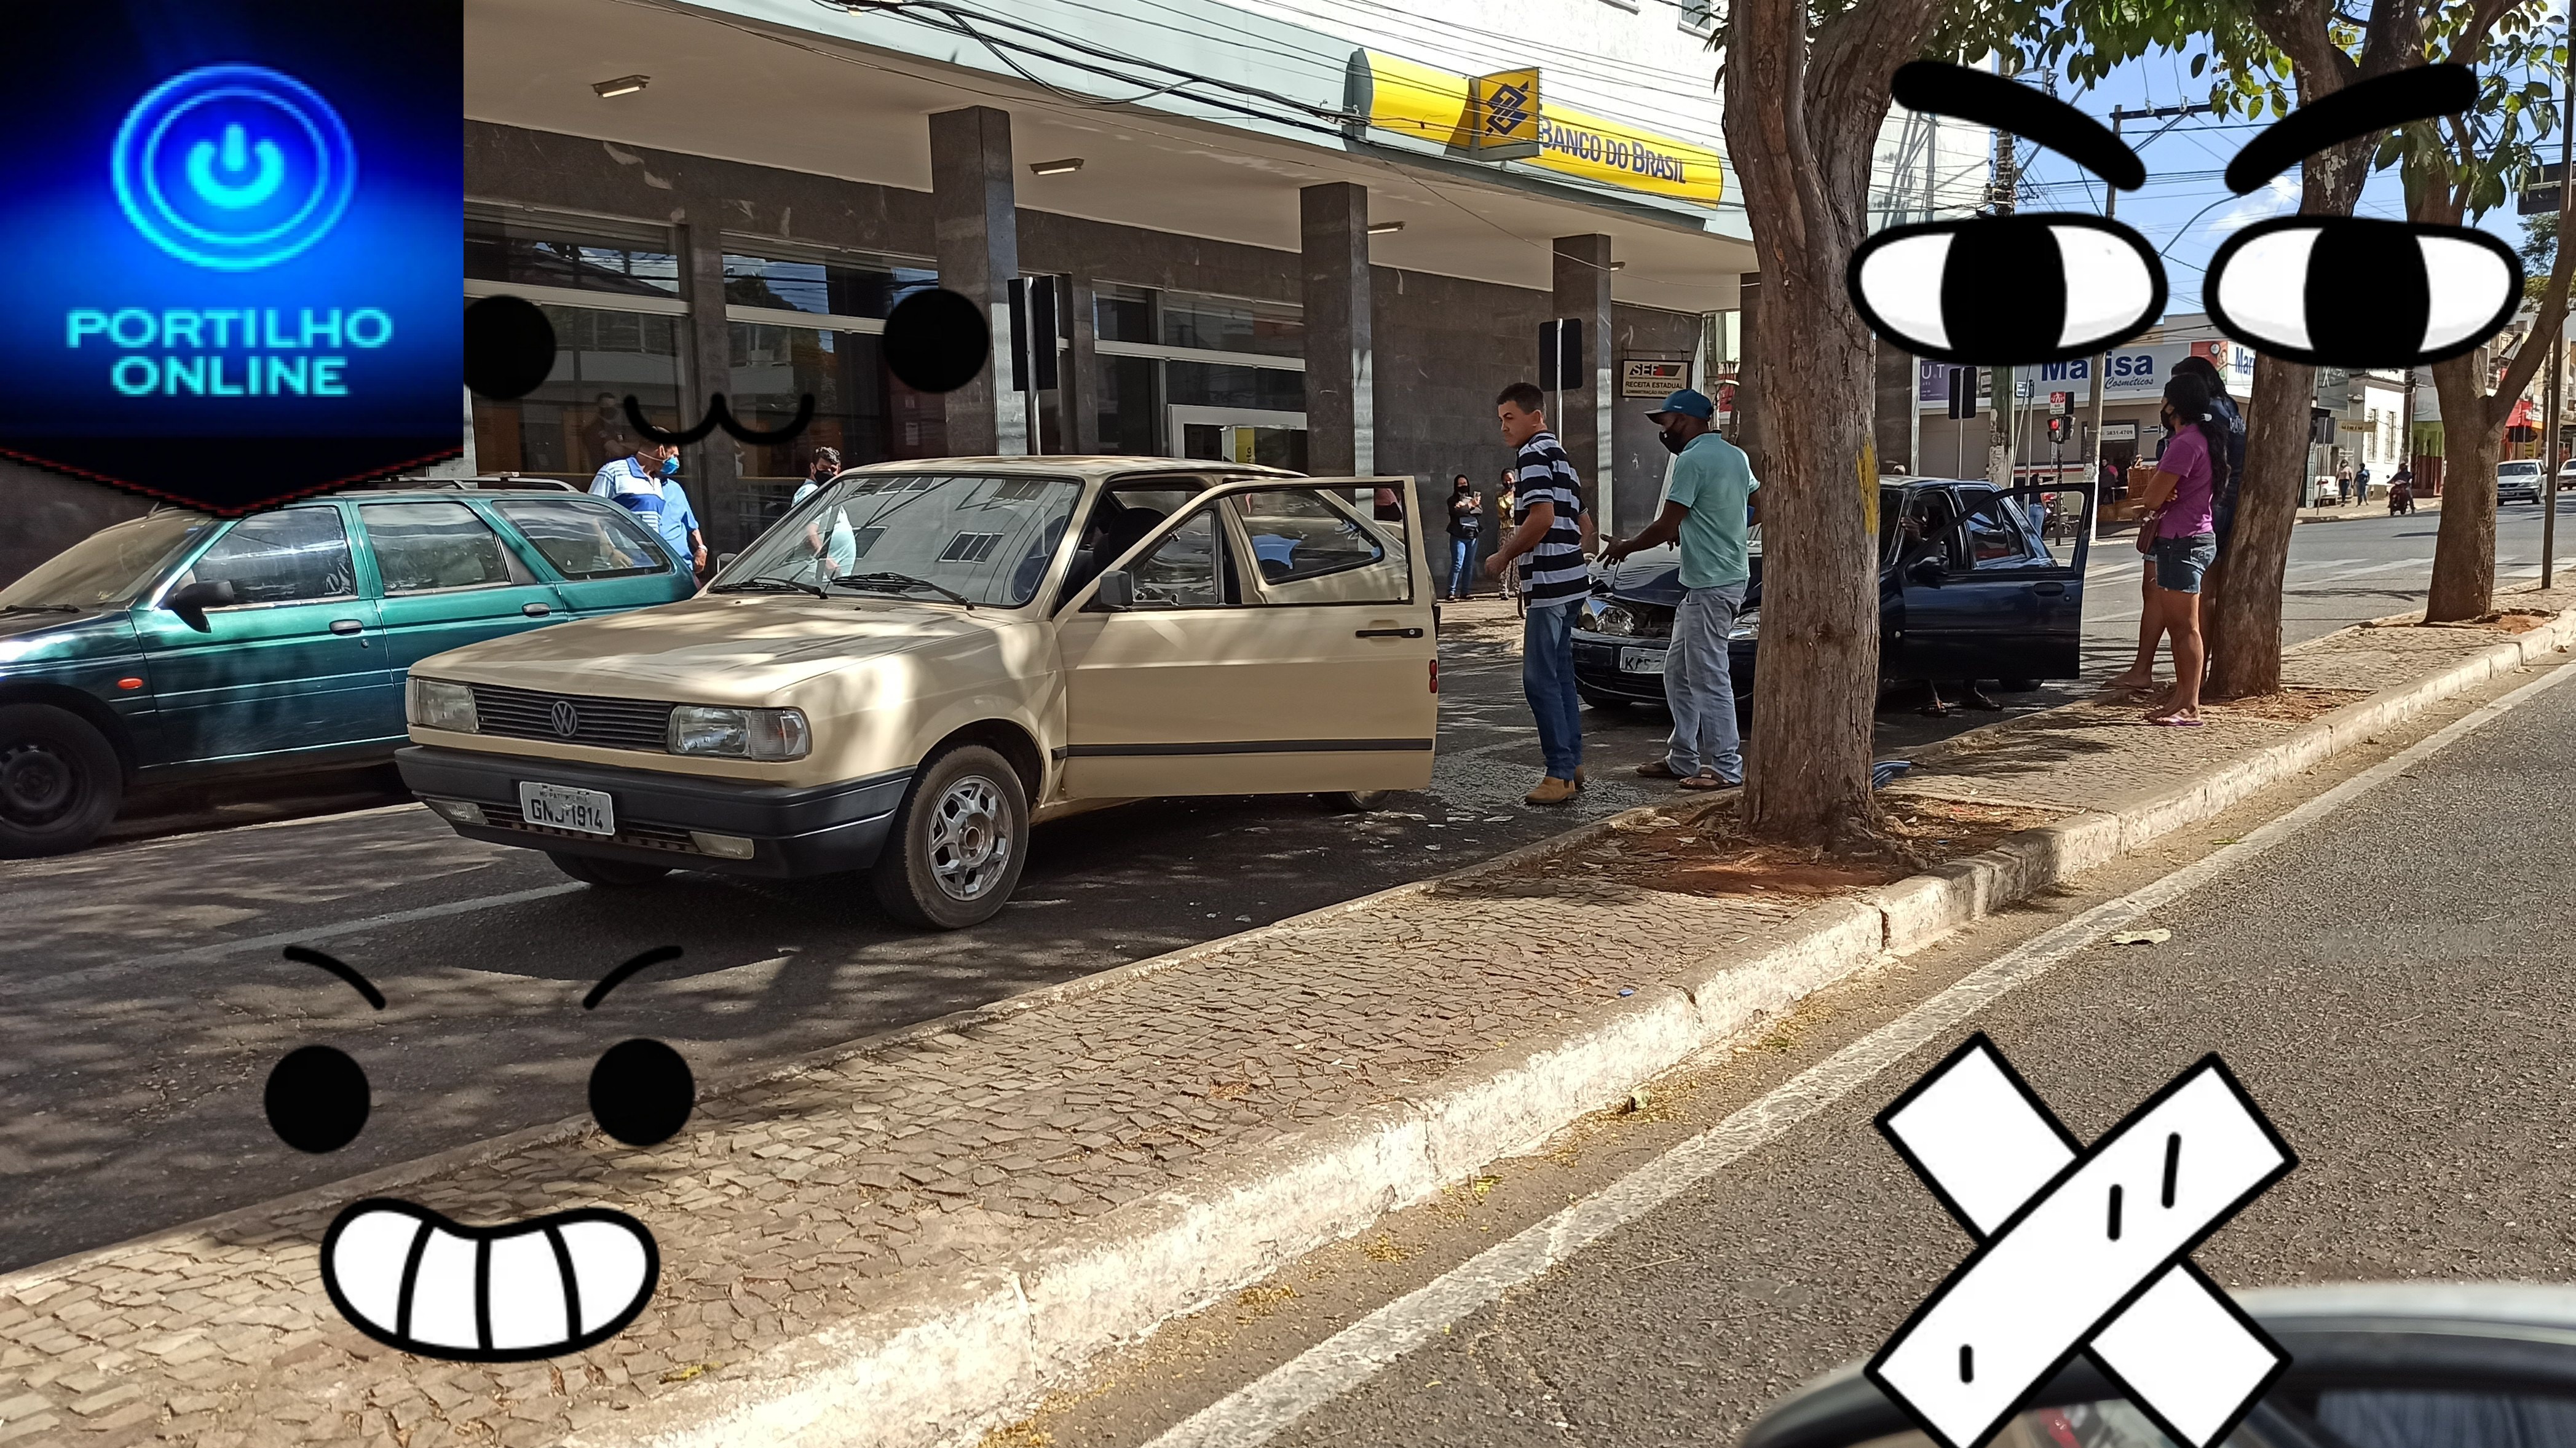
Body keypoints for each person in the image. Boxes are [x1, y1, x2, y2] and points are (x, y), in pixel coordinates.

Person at [1602, 389, 1758, 790]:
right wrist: (1706, 525)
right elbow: (1759, 503)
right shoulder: (1735, 456)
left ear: (1686, 421)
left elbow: (1665, 525)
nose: (1664, 431)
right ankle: (1684, 757)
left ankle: (1726, 767)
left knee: (1709, 674)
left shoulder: (1691, 459)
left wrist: (1625, 547)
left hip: (1711, 582)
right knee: (1678, 672)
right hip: (1716, 579)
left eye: (1666, 422)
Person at [1485, 381, 1590, 805]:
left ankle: (1559, 773)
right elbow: (1585, 526)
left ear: (1536, 416)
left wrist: (1503, 555)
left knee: (1538, 679)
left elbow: (1541, 517)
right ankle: (1573, 760)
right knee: (1562, 675)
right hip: (1571, 582)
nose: (1505, 428)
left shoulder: (1531, 455)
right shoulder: (1562, 457)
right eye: (1500, 420)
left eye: (1510, 418)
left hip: (1548, 584)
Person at [2108, 358, 2240, 697]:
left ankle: (2186, 695)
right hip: (2207, 518)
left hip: (2186, 530)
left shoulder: (2190, 438)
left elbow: (2153, 499)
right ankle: (2184, 688)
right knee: (2187, 608)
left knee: (2182, 619)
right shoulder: (2225, 415)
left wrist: (2127, 509)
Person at [2132, 373, 2228, 725]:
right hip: (2194, 537)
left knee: (2184, 628)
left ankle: (2189, 705)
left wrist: (2152, 498)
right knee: (2183, 627)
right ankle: (2182, 699)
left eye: (2165, 400)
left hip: (2181, 541)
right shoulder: (2201, 439)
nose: (2162, 406)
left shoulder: (2184, 444)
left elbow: (2151, 498)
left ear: (2174, 406)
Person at [590, 440, 708, 579]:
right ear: (661, 451)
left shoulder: (656, 482)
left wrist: (701, 549)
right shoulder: (614, 471)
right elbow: (589, 514)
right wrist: (610, 552)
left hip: (657, 567)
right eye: (673, 456)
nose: (676, 462)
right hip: (624, 566)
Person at [1444, 475, 1483, 601]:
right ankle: (1451, 592)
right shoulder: (1451, 500)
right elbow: (1456, 512)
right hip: (1458, 536)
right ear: (1456, 486)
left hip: (1473, 535)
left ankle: (1465, 592)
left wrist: (1467, 506)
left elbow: (1479, 512)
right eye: (1460, 484)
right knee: (1457, 564)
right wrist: (1471, 506)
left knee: (1469, 565)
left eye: (1465, 483)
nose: (1463, 485)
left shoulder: (1474, 498)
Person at [581, 392, 633, 472]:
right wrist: (638, 448)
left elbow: (630, 443)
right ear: (598, 407)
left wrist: (621, 444)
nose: (611, 409)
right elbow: (619, 451)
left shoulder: (615, 427)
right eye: (607, 406)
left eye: (613, 406)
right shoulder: (595, 428)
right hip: (603, 472)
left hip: (619, 470)